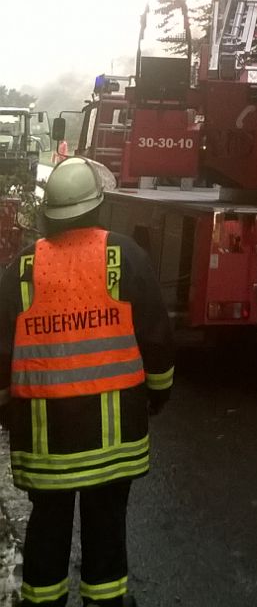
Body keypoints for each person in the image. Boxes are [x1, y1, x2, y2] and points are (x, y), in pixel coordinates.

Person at [0, 156, 174, 607]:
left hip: (45, 443)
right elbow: (156, 338)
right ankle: (105, 602)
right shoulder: (124, 256)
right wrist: (158, 393)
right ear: (97, 207)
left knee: (48, 526)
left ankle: (42, 601)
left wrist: (6, 409)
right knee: (107, 528)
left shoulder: (22, 269)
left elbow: (1, 353)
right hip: (115, 442)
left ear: (48, 213)